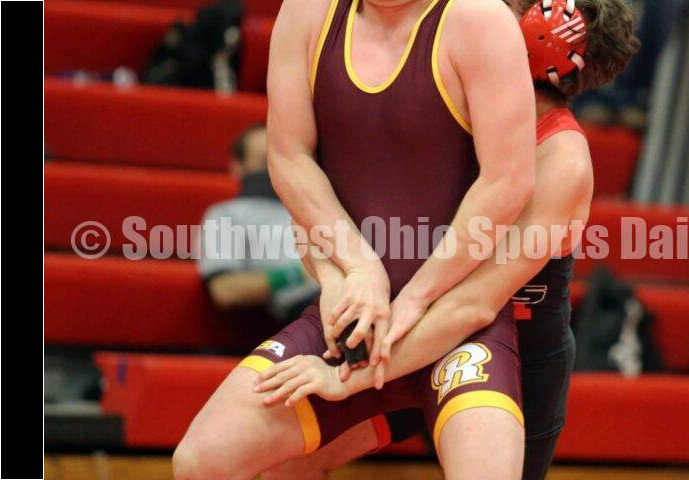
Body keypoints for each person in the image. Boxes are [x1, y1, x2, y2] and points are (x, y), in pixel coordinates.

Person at [247, 1, 639, 479]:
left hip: (503, 350)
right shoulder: (438, 105)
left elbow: (470, 304)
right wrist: (336, 278)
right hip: (406, 330)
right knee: (287, 465)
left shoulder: (560, 158)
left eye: (512, 8)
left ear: (542, 35)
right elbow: (316, 219)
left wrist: (350, 375)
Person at [174, 0, 539, 475]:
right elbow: (288, 157)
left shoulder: (479, 19)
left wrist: (417, 296)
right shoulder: (307, 13)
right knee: (199, 462)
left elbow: (507, 179)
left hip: (457, 329)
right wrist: (357, 269)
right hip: (349, 329)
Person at [198, 125, 319, 323]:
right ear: (238, 167)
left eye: (282, 160)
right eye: (265, 162)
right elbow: (225, 290)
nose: (275, 169)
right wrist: (301, 273)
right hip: (302, 310)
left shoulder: (318, 208)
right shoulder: (227, 214)